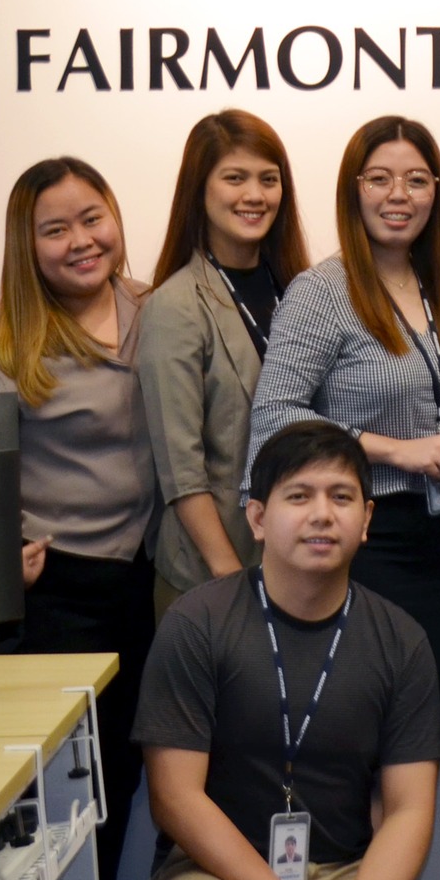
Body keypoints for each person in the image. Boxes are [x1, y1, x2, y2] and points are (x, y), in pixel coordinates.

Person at [0, 156, 156, 880]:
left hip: (152, 584)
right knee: (61, 798)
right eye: (55, 230)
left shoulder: (158, 310)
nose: (81, 241)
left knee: (126, 778)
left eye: (92, 218)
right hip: (61, 598)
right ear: (25, 247)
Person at [135, 420, 440, 880]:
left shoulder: (402, 640)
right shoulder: (198, 623)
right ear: (258, 518)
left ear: (366, 519)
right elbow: (174, 797)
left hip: (350, 874)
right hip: (218, 871)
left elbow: (409, 810)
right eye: (299, 496)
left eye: (341, 497)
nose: (322, 514)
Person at [245, 116, 440, 683]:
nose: (398, 195)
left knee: (431, 703)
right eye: (379, 178)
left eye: (417, 180)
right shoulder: (322, 291)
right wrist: (394, 450)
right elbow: (275, 415)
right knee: (369, 702)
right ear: (352, 190)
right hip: (365, 537)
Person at [140, 110, 312, 619]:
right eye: (235, 178)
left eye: (268, 179)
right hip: (211, 579)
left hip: (299, 568)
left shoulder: (302, 290)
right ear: (200, 188)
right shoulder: (175, 305)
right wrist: (232, 578)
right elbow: (181, 471)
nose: (254, 195)